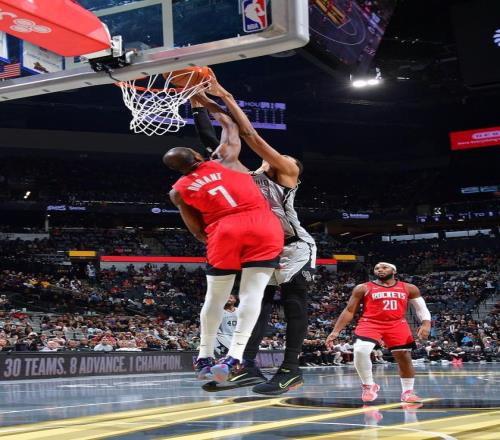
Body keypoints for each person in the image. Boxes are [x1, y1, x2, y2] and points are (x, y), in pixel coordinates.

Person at [189, 75, 316, 395]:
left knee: (294, 305)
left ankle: (291, 370)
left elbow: (249, 134)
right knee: (255, 306)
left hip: (294, 247)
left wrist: (225, 96)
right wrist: (199, 104)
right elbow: (213, 143)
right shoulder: (246, 177)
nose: (280, 158)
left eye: (285, 157)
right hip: (263, 248)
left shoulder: (287, 171)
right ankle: (246, 366)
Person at [163, 108, 284, 383]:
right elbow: (230, 126)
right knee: (252, 294)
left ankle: (204, 356)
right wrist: (207, 102)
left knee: (215, 298)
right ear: (197, 156)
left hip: (223, 229)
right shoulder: (225, 159)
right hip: (262, 225)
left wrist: (218, 239)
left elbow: (196, 230)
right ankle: (235, 357)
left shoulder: (177, 191)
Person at [326, 262, 432, 403]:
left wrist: (426, 323)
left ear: (394, 271)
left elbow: (421, 308)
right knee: (360, 350)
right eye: (377, 268)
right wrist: (335, 332)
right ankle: (369, 386)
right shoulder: (363, 288)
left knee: (404, 357)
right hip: (370, 322)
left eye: (384, 267)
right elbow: (349, 310)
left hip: (397, 323)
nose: (380, 270)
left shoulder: (409, 287)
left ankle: (407, 392)